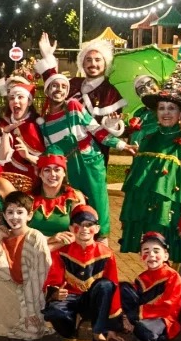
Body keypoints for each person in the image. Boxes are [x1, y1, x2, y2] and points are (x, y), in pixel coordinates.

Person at [120, 68, 181, 264]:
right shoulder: (146, 139)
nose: (166, 113)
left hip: (168, 210)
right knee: (148, 251)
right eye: (162, 108)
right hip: (142, 206)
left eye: (171, 108)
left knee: (165, 252)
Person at [35, 72, 128, 239]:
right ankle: (79, 245)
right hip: (68, 168)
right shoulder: (44, 123)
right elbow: (50, 152)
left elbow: (96, 129)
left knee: (98, 205)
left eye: (64, 86)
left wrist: (121, 145)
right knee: (76, 206)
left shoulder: (73, 106)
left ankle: (101, 246)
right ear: (47, 91)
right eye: (54, 86)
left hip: (90, 162)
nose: (59, 89)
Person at [0, 191, 53, 341]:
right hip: (9, 288)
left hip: (29, 296)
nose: (14, 217)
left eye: (20, 212)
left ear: (29, 215)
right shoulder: (5, 236)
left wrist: (31, 311)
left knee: (32, 332)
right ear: (4, 215)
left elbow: (37, 278)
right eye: (10, 212)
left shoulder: (36, 237)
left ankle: (0, 321)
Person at [43, 205, 122, 341]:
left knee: (105, 285)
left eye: (89, 225)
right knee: (60, 321)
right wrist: (54, 293)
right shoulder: (62, 251)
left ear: (97, 229)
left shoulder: (106, 253)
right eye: (78, 225)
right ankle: (76, 323)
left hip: (92, 300)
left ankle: (98, 335)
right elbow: (53, 279)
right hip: (69, 298)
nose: (84, 229)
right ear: (71, 228)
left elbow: (113, 287)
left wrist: (112, 325)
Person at [36, 31, 125, 125]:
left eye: (98, 60)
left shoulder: (110, 94)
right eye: (88, 60)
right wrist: (47, 56)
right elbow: (54, 84)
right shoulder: (74, 83)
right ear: (83, 64)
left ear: (105, 64)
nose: (93, 64)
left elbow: (109, 128)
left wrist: (112, 125)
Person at [118, 232, 181, 341]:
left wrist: (134, 314)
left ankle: (136, 327)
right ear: (141, 256)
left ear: (166, 256)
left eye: (156, 251)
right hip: (141, 315)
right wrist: (125, 315)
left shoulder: (172, 276)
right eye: (146, 252)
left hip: (162, 318)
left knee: (144, 332)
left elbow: (168, 306)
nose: (151, 255)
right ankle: (129, 324)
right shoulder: (142, 277)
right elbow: (133, 299)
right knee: (123, 288)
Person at [24, 154, 85, 249]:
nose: (52, 174)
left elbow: (79, 232)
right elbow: (20, 231)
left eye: (57, 170)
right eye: (47, 170)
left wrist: (49, 249)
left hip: (64, 250)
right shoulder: (27, 197)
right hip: (31, 248)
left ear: (64, 173)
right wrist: (49, 240)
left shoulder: (75, 197)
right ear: (40, 174)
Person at [0, 77, 42, 193]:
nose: (15, 101)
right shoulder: (2, 124)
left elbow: (45, 161)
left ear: (29, 102)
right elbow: (1, 158)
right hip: (4, 178)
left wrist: (28, 156)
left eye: (20, 97)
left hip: (30, 182)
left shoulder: (36, 125)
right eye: (11, 98)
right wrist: (5, 133)